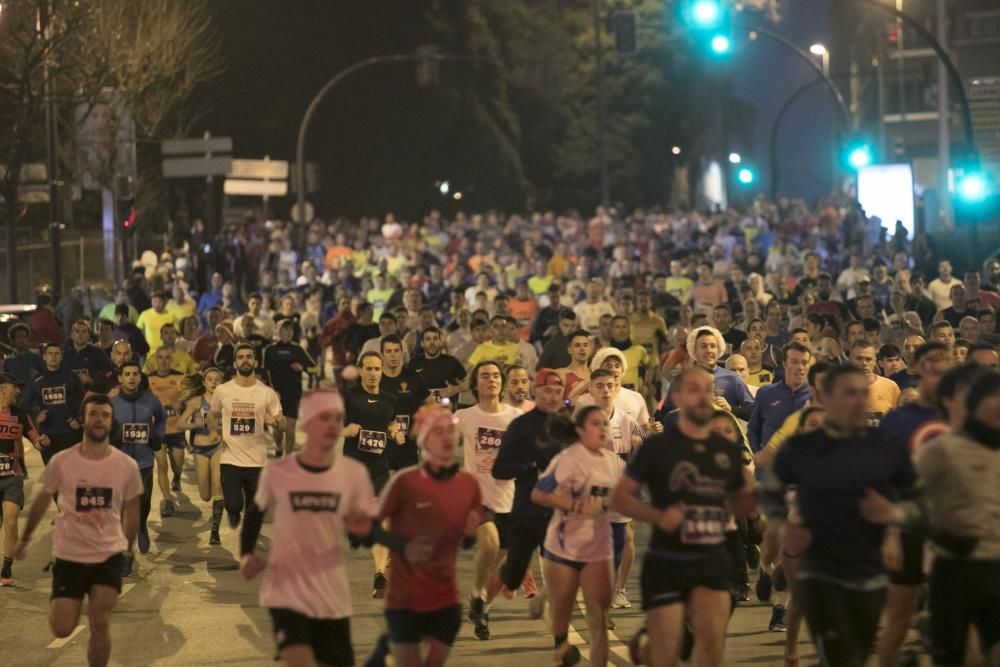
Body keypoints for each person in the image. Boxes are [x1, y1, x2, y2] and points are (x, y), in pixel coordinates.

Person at [760, 364, 918, 667]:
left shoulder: (885, 446)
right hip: (820, 570)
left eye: (863, 393)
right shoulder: (802, 447)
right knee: (840, 654)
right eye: (849, 393)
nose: (859, 400)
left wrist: (893, 514)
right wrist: (782, 524)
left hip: (870, 573)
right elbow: (770, 490)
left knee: (856, 652)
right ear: (826, 398)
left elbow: (920, 504)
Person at [610, 366, 754, 667]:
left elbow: (742, 499)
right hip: (667, 561)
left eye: (708, 390)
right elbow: (620, 497)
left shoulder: (724, 447)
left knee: (711, 650)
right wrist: (658, 515)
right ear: (677, 397)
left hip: (712, 559)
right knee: (665, 654)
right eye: (693, 390)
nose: (702, 397)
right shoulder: (657, 447)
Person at [860, 370, 1000, 667]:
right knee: (957, 654)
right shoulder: (942, 450)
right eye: (991, 397)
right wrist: (893, 522)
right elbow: (909, 500)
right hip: (956, 566)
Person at [239, 388, 377, 667]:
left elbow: (366, 533)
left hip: (331, 593)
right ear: (306, 423)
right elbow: (255, 513)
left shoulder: (353, 475)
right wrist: (246, 553)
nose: (329, 425)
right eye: (322, 418)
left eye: (336, 419)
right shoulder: (279, 473)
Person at [15, 393, 142, 667]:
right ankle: (71, 600)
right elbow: (40, 501)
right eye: (94, 414)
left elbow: (132, 509)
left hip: (108, 554)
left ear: (111, 422)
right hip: (70, 554)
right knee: (62, 628)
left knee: (99, 622)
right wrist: (24, 539)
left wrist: (129, 546)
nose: (99, 420)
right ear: (83, 419)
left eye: (105, 415)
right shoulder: (62, 461)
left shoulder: (126, 466)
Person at [375, 403, 482, 667]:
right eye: (438, 432)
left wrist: (470, 535)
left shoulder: (468, 485)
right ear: (423, 440)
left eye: (449, 431)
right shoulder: (404, 482)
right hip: (404, 600)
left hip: (446, 600)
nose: (446, 437)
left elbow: (465, 542)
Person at [872, 341, 952, 667]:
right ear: (916, 370)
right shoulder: (898, 421)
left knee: (957, 621)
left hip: (953, 530)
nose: (936, 373)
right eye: (929, 366)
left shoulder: (966, 416)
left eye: (943, 367)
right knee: (898, 620)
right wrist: (889, 533)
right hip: (909, 528)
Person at [531, 406, 625, 667]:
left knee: (599, 620)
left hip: (597, 549)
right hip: (563, 549)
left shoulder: (615, 463)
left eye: (605, 423)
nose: (603, 428)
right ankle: (549, 601)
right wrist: (575, 506)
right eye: (595, 423)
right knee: (561, 619)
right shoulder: (567, 460)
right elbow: (538, 494)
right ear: (581, 431)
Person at [456, 361, 524, 640]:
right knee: (490, 543)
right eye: (485, 375)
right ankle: (478, 593)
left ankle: (481, 603)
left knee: (504, 561)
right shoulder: (463, 416)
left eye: (496, 375)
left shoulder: (515, 418)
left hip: (508, 497)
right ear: (476, 384)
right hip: (477, 498)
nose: (492, 380)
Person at [492, 369, 567, 603]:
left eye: (557, 392)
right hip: (527, 511)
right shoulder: (520, 426)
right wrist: (529, 466)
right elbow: (499, 470)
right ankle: (481, 601)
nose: (553, 397)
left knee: (561, 576)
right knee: (513, 576)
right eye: (547, 391)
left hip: (558, 514)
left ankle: (560, 638)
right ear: (535, 391)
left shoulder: (567, 426)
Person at [341, 351, 404, 598]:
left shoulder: (390, 399)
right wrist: (344, 430)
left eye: (377, 369)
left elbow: (391, 423)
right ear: (361, 371)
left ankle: (379, 575)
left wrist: (394, 431)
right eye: (368, 369)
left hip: (379, 467)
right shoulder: (349, 396)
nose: (373, 373)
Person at [210, 343, 284, 533]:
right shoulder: (222, 390)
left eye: (249, 356)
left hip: (257, 461)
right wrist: (215, 433)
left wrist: (276, 422)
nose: (245, 360)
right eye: (240, 357)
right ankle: (234, 513)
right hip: (230, 458)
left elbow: (281, 423)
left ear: (255, 362)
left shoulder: (267, 393)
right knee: (233, 505)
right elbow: (212, 415)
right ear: (235, 363)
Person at [110, 361, 164, 560]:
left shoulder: (151, 400)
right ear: (120, 378)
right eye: (127, 374)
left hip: (144, 462)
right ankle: (126, 553)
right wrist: (111, 438)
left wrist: (156, 437)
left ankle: (142, 526)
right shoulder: (113, 404)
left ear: (140, 377)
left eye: (135, 374)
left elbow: (161, 420)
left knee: (144, 502)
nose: (131, 377)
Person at [0, 373, 40, 586]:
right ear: (2, 389)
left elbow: (35, 438)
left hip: (12, 477)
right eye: (14, 387)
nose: (18, 391)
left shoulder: (20, 414)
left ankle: (6, 569)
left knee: (12, 520)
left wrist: (42, 440)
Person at [178, 368, 226, 545]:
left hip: (219, 447)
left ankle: (215, 532)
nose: (214, 382)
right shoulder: (196, 402)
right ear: (204, 382)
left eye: (217, 379)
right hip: (200, 448)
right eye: (210, 379)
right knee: (205, 495)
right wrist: (194, 424)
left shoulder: (227, 401)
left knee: (217, 486)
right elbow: (180, 423)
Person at [20, 343, 83, 466]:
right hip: (48, 435)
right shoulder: (36, 380)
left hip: (70, 433)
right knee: (52, 476)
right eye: (50, 353)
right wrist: (36, 415)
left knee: (72, 474)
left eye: (56, 353)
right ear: (44, 357)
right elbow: (24, 405)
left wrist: (79, 420)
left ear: (61, 356)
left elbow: (83, 402)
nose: (53, 356)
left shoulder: (72, 377)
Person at [263, 319, 317, 457]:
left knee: (291, 430)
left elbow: (314, 368)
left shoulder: (298, 349)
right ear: (278, 331)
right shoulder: (270, 350)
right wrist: (270, 390)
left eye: (291, 329)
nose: (288, 332)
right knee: (278, 429)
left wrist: (303, 367)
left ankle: (287, 460)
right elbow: (264, 373)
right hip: (276, 395)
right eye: (285, 329)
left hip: (293, 394)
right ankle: (279, 447)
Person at [747, 342, 812, 452]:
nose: (800, 367)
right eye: (794, 362)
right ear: (784, 364)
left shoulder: (817, 397)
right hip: (769, 465)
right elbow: (753, 431)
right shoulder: (765, 393)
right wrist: (758, 455)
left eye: (804, 363)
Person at [379, 335, 431, 471]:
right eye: (388, 351)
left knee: (408, 489)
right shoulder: (375, 380)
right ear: (381, 355)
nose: (393, 355)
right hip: (381, 446)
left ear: (402, 353)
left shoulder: (413, 377)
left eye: (396, 350)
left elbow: (432, 404)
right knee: (385, 490)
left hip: (408, 447)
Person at [146, 347, 186, 514]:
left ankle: (176, 478)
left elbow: (190, 399)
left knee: (177, 466)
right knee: (162, 465)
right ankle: (167, 500)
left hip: (176, 429)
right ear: (155, 359)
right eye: (160, 357)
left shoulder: (180, 377)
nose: (163, 361)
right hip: (158, 430)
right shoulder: (148, 379)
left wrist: (181, 405)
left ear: (171, 360)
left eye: (166, 357)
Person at [407, 326, 466, 404]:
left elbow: (470, 382)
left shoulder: (451, 361)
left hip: (447, 412)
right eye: (428, 339)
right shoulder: (414, 363)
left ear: (440, 341)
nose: (432, 343)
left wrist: (457, 389)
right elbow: (406, 388)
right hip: (422, 413)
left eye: (435, 339)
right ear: (422, 343)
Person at [849, 340, 901, 426]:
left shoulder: (891, 386)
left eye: (868, 359)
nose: (864, 363)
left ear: (875, 361)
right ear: (851, 360)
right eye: (859, 359)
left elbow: (900, 420)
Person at [62, 319, 112, 389]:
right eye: (77, 331)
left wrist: (91, 380)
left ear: (89, 335)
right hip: (69, 395)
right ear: (72, 335)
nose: (80, 334)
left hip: (92, 394)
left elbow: (110, 373)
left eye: (84, 331)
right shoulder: (64, 355)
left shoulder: (98, 353)